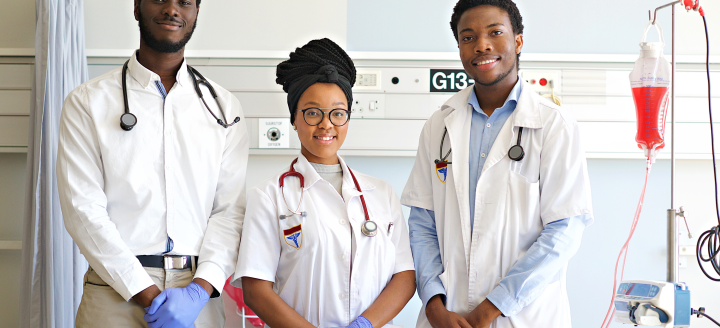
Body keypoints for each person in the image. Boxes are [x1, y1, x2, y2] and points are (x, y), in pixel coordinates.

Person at [401, 1, 593, 327]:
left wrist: (494, 306)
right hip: (447, 316)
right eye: (468, 37)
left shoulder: (554, 125)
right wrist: (433, 302)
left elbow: (564, 230)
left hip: (522, 315)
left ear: (518, 41)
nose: (482, 45)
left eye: (495, 32)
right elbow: (422, 224)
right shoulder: (439, 125)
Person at [56, 0, 248, 327]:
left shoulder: (224, 108)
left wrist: (198, 293)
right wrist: (143, 290)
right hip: (114, 292)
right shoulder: (88, 102)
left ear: (196, 12)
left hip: (197, 294)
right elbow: (82, 209)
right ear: (136, 7)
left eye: (184, 2)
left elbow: (230, 211)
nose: (172, 9)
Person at [233, 38, 416, 328]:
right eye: (312, 112)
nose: (326, 124)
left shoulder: (381, 194)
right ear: (294, 118)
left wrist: (366, 324)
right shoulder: (269, 196)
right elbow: (256, 290)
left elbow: (404, 277)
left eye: (338, 113)